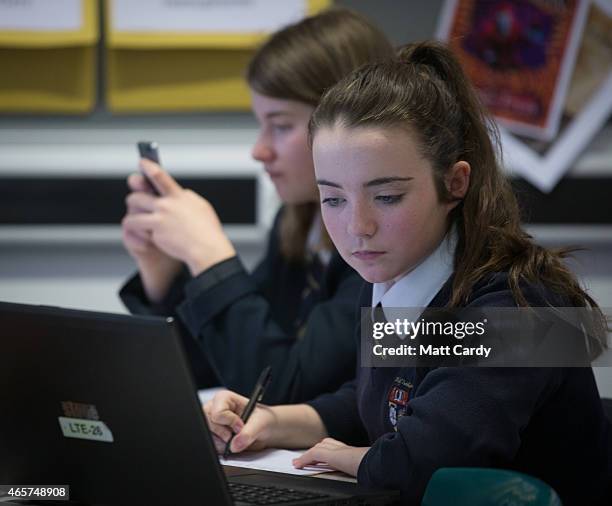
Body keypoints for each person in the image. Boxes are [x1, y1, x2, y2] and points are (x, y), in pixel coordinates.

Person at [204, 41, 612, 505]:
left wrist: (352, 459)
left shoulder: (518, 308)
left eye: (387, 196)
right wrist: (274, 420)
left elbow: (423, 462)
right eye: (333, 198)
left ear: (455, 183)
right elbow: (378, 402)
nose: (358, 227)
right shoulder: (392, 275)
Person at [119, 9, 395, 404]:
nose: (259, 149)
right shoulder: (298, 223)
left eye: (280, 125)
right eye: (260, 124)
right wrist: (163, 273)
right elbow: (226, 367)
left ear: (345, 124)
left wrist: (209, 258)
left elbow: (279, 390)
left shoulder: (378, 243)